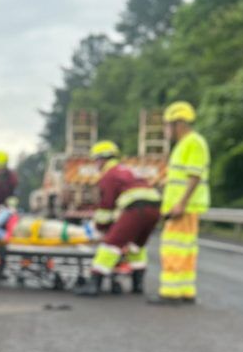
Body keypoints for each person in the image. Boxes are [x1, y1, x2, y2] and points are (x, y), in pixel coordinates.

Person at [75, 140, 161, 297]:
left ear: (101, 159)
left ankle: (94, 284)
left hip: (137, 208)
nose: (95, 164)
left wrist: (101, 228)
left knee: (111, 244)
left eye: (95, 160)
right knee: (136, 246)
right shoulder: (127, 170)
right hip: (154, 208)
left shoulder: (109, 174)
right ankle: (137, 284)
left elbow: (106, 206)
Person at [154, 101, 210, 305]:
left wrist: (180, 204)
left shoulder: (192, 142)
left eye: (168, 125)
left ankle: (171, 293)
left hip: (183, 208)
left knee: (173, 249)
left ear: (179, 123)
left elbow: (194, 176)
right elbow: (179, 177)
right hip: (184, 207)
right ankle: (185, 290)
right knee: (185, 250)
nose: (166, 130)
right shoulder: (184, 144)